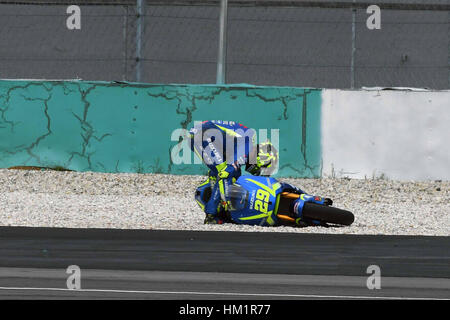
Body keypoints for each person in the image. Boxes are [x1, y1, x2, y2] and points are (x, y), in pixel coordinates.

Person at [188, 120, 278, 224]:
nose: (257, 171)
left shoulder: (244, 143)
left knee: (228, 172)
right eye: (261, 168)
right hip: (202, 135)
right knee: (226, 172)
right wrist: (229, 204)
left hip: (200, 134)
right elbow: (227, 172)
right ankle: (211, 215)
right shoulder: (245, 147)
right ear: (261, 158)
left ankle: (216, 207)